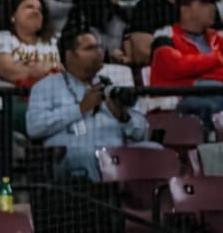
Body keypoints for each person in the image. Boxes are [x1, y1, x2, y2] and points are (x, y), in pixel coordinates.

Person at [27, 28, 151, 182]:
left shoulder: (113, 85)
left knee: (153, 150)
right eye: (90, 48)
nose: (99, 52)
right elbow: (34, 127)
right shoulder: (45, 86)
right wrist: (79, 109)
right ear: (69, 55)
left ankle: (152, 204)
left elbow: (141, 133)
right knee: (86, 155)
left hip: (116, 154)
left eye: (99, 47)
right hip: (71, 159)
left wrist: (123, 116)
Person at [150, 0, 223, 121]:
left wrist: (196, 77)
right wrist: (216, 60)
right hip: (178, 104)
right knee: (210, 90)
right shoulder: (165, 36)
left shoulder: (219, 38)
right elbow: (174, 67)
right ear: (186, 11)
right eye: (204, 3)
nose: (212, 8)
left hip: (219, 97)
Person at [0, 0, 59, 89]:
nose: (36, 12)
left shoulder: (52, 42)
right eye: (29, 7)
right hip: (11, 100)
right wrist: (43, 70)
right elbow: (8, 70)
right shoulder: (1, 38)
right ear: (13, 14)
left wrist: (27, 67)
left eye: (40, 10)